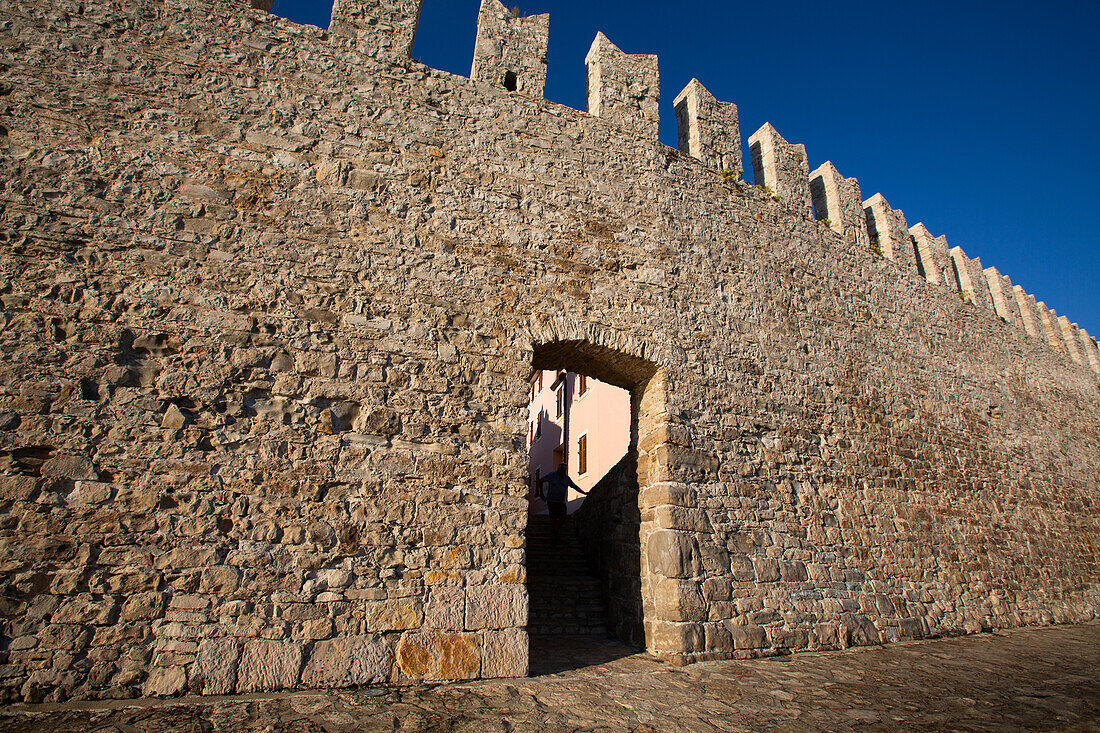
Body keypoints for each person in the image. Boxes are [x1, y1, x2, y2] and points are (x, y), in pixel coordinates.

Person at [539, 463, 587, 543]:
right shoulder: (552, 475)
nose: (563, 472)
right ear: (558, 469)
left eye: (564, 470)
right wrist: (541, 494)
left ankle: (555, 532)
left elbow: (574, 486)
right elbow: (541, 480)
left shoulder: (567, 479)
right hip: (551, 501)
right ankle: (553, 537)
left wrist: (584, 492)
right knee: (553, 519)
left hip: (561, 502)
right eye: (561, 470)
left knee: (563, 517)